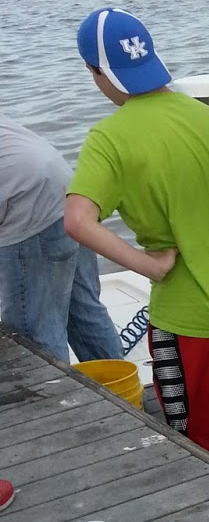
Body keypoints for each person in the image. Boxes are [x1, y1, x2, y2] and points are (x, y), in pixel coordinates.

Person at [65, 8, 209, 504]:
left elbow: (77, 220)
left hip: (190, 320)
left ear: (98, 73)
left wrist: (147, 264)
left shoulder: (109, 138)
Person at [1, 111, 124, 364]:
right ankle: (121, 394)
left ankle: (53, 401)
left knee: (33, 330)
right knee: (84, 309)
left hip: (26, 207)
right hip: (67, 195)